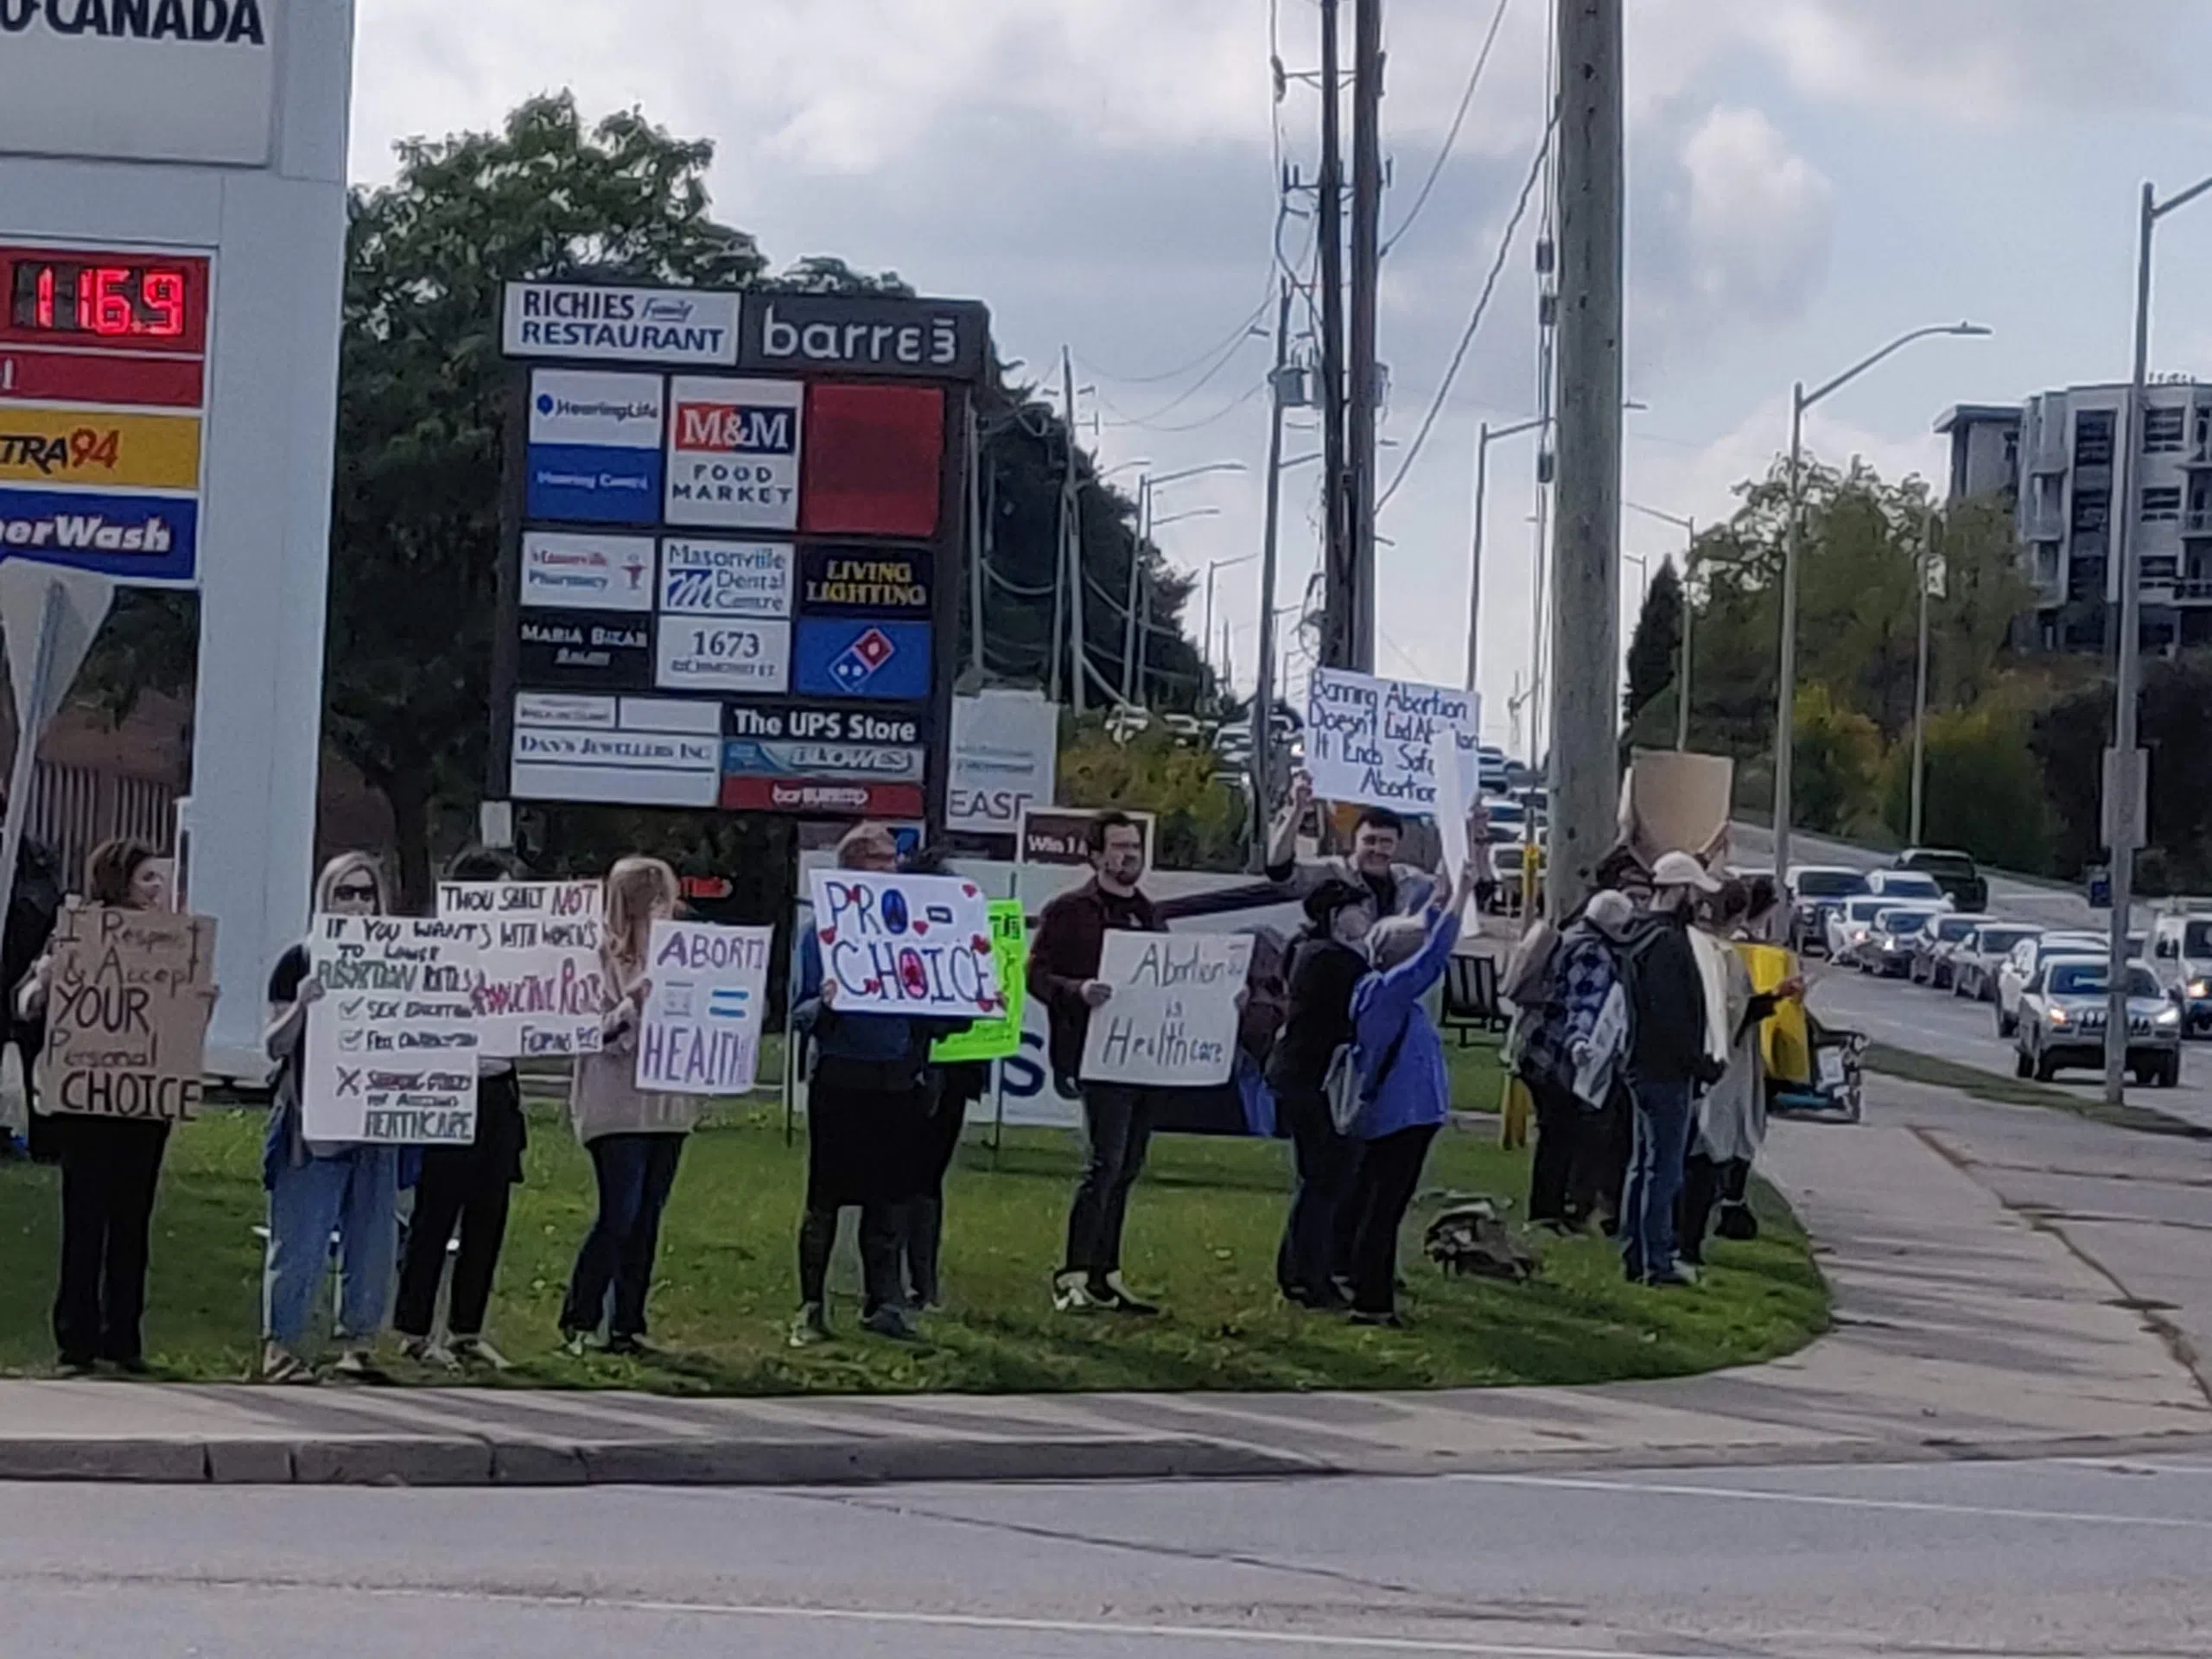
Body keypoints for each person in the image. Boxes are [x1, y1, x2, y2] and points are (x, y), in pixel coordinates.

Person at [17, 839, 203, 1373]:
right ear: (118, 880)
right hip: (88, 1107)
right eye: (147, 879)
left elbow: (175, 1027)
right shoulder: (76, 934)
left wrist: (197, 1004)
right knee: (85, 1223)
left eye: (159, 880)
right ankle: (75, 1342)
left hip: (143, 1107)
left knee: (132, 1224)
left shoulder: (174, 943)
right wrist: (48, 976)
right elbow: (26, 1005)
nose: (157, 889)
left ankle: (122, 1339)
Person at [789, 823, 970, 1346]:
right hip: (841, 1077)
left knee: (890, 1200)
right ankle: (811, 1306)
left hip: (901, 1079)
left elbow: (939, 1014)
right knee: (824, 1198)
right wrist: (824, 1001)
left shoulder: (915, 930)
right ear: (851, 868)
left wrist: (962, 1004)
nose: (890, 867)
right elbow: (798, 1013)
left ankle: (884, 1303)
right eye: (878, 859)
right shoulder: (818, 932)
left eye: (893, 858)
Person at [262, 852, 404, 1383]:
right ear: (325, 897)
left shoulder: (403, 961)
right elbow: (273, 1046)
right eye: (345, 892)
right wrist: (302, 1006)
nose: (358, 903)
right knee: (301, 1237)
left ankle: (358, 1345)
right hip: (310, 1121)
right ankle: (282, 1345)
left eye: (366, 892)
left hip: (377, 1121)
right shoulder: (298, 959)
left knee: (373, 1240)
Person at [392, 848, 531, 1371]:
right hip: (447, 1090)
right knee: (435, 1216)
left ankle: (467, 1329)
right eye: (492, 891)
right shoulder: (434, 946)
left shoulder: (518, 951)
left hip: (499, 1091)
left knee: (488, 1215)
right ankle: (413, 1328)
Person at [1030, 810, 1171, 1314]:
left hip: (1144, 1057)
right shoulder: (1069, 911)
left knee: (1129, 1165)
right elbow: (1036, 976)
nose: (1129, 855)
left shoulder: (1152, 915)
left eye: (1134, 846)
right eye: (1118, 846)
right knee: (1104, 1163)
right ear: (1095, 855)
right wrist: (1078, 991)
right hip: (1095, 1055)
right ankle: (1072, 1272)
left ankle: (1105, 1272)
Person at [559, 855, 699, 1356]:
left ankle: (628, 1325)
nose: (668, 907)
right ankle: (579, 1317)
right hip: (616, 1104)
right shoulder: (595, 957)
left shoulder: (684, 956)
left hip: (668, 1104)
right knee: (619, 1212)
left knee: (648, 1218)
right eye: (657, 896)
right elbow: (587, 1032)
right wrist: (631, 1004)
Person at [1340, 860, 1481, 1325]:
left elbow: (1427, 944)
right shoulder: (1389, 990)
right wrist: (1460, 896)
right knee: (1384, 1209)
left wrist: (1443, 891)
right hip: (1398, 1115)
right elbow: (1434, 954)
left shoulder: (1380, 989)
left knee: (1375, 1202)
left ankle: (1356, 1278)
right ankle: (1371, 1301)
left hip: (1406, 1114)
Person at [1614, 851, 1725, 1289]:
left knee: (1644, 1166)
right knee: (1664, 1170)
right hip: (1664, 1069)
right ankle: (1655, 1260)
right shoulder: (1667, 944)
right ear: (1678, 890)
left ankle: (1636, 1253)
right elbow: (1670, 1017)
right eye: (1694, 892)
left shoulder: (1640, 934)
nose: (1698, 902)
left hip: (1643, 1064)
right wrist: (1700, 1064)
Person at [1265, 877, 1376, 1307]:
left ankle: (1298, 1270)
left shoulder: (1304, 949)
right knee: (1327, 1177)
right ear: (1335, 915)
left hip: (1297, 1074)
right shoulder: (1334, 959)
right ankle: (1310, 1276)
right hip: (1311, 1079)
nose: (1364, 918)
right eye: (1357, 909)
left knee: (1317, 1178)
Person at [1680, 880, 1802, 1266]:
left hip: (1711, 1058)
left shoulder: (1703, 948)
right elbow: (1732, 1012)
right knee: (1708, 1146)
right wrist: (1774, 997)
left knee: (1701, 1146)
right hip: (1721, 1062)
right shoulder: (1722, 956)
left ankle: (1697, 1223)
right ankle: (1691, 1235)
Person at [1513, 889, 1636, 1232]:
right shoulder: (1594, 952)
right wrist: (1581, 1043)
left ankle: (1550, 1208)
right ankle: (1547, 1212)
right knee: (1560, 1136)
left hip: (1537, 1049)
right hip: (1557, 1055)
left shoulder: (1570, 936)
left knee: (1556, 1134)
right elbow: (1585, 1003)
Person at [1266, 770, 1491, 917]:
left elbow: (1459, 887)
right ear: (1354, 842)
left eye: (1386, 842)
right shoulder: (1333, 873)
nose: (1377, 849)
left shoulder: (1411, 881)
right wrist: (1297, 810)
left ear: (1397, 845)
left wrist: (1471, 833)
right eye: (1369, 841)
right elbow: (1279, 870)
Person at [1, 795, 67, 1163]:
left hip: (23, 969)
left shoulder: (34, 860)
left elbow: (48, 910)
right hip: (20, 965)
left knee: (38, 1060)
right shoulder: (35, 860)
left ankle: (47, 1142)